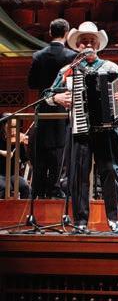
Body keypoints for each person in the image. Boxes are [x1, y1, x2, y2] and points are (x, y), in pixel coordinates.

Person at [47, 21, 118, 234]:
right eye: (84, 42)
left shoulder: (112, 68)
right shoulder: (68, 70)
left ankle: (114, 219)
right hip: (80, 130)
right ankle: (81, 221)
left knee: (110, 173)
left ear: (98, 45)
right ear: (77, 46)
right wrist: (57, 98)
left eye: (92, 41)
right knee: (78, 176)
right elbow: (48, 94)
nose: (88, 45)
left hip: (107, 130)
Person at [27, 18, 76, 199]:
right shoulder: (71, 56)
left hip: (43, 109)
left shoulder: (38, 56)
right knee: (58, 152)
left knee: (40, 152)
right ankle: (54, 189)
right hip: (62, 110)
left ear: (50, 32)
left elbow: (32, 84)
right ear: (67, 34)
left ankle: (38, 192)